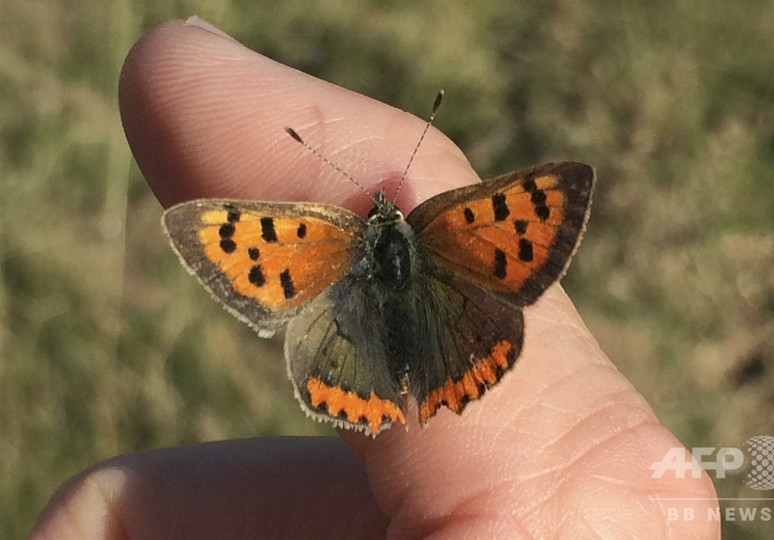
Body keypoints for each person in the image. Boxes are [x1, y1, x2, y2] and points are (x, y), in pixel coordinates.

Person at [30, 18, 719, 539]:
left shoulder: (327, 236)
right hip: (456, 317)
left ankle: (393, 390)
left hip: (356, 322)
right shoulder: (451, 224)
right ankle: (423, 385)